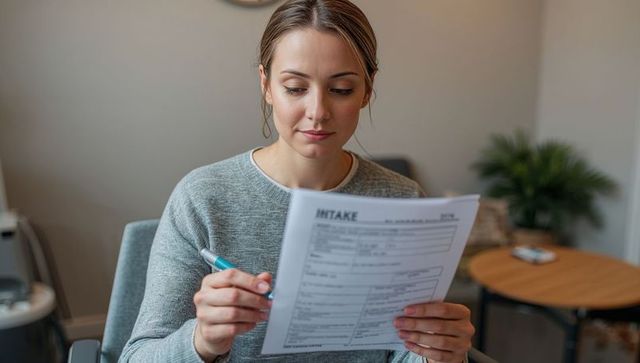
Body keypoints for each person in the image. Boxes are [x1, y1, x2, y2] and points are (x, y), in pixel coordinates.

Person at [119, 0, 474, 362]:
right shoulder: (203, 199)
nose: (317, 112)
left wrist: (440, 353)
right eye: (294, 87)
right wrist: (202, 340)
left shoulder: (403, 201)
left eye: (341, 90)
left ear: (367, 90)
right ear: (266, 85)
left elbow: (403, 351)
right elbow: (138, 356)